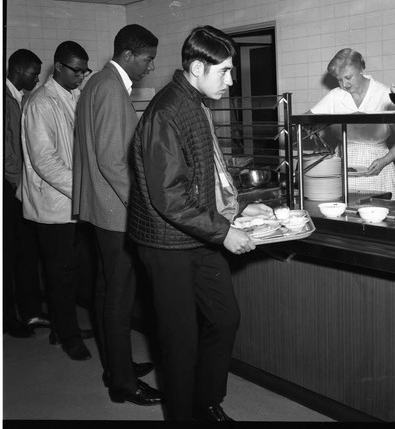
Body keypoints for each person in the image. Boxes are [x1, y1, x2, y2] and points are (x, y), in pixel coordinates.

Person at [128, 25, 273, 421]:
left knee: (224, 318)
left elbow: (207, 177)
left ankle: (206, 400)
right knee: (179, 342)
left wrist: (239, 209)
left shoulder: (196, 104)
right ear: (196, 67)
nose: (231, 80)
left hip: (196, 236)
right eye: (225, 70)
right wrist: (226, 232)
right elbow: (170, 196)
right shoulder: (168, 111)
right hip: (166, 243)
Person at [73, 24, 163, 406]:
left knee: (107, 289)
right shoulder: (110, 88)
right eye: (147, 59)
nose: (150, 67)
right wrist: (142, 206)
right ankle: (123, 384)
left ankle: (117, 364)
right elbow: (112, 160)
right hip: (115, 212)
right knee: (119, 297)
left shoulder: (96, 84)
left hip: (99, 207)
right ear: (128, 55)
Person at [20, 41, 94, 360]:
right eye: (76, 70)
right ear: (59, 67)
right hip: (54, 204)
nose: (81, 76)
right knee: (60, 274)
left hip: (73, 202)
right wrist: (83, 189)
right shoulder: (41, 102)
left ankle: (61, 329)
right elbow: (45, 161)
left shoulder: (73, 96)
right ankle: (68, 336)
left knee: (72, 270)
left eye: (84, 71)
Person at [309, 48, 395, 199]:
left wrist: (384, 161)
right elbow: (305, 120)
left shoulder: (385, 94)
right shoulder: (335, 96)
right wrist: (313, 127)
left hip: (377, 167)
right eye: (339, 79)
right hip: (342, 166)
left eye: (348, 77)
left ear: (361, 69)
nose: (345, 84)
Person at [4, 49, 50, 338]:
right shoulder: (5, 101)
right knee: (9, 257)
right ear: (19, 70)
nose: (35, 79)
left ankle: (31, 311)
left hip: (16, 187)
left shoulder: (19, 99)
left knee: (25, 253)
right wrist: (21, 187)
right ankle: (9, 318)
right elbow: (7, 155)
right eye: (33, 73)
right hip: (10, 189)